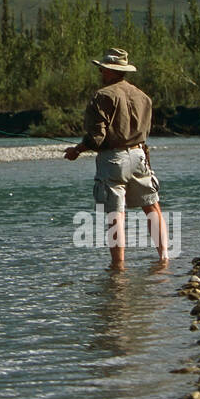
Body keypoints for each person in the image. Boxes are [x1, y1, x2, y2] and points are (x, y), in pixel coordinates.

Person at [64, 48, 168, 268]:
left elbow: (96, 138)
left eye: (103, 68)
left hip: (113, 160)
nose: (100, 71)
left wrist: (77, 150)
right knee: (152, 206)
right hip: (140, 155)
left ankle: (118, 266)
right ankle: (164, 258)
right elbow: (146, 129)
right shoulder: (143, 96)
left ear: (111, 71)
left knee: (115, 213)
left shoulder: (101, 96)